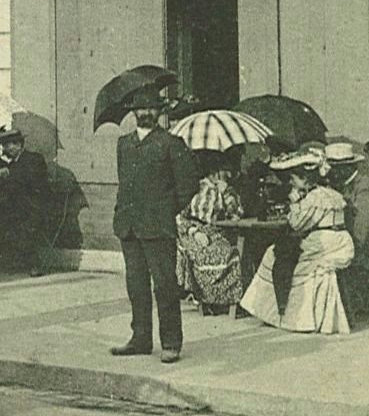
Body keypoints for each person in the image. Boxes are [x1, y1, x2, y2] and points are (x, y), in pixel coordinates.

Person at [111, 87, 198, 364]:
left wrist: (165, 210)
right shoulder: (124, 144)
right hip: (129, 226)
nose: (145, 113)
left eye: (151, 109)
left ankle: (171, 343)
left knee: (165, 285)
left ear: (159, 113)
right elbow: (124, 183)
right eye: (140, 109)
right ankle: (140, 339)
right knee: (136, 285)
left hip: (158, 227)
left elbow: (188, 186)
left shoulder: (171, 143)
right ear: (133, 112)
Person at [240, 163, 354, 334]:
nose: (292, 183)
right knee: (284, 253)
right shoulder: (332, 193)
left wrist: (295, 203)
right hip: (342, 240)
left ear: (305, 180)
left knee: (272, 254)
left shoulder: (314, 198)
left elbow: (297, 224)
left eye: (294, 179)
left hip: (325, 242)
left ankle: (281, 315)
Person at [174, 152, 245, 316]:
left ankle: (222, 302)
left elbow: (237, 213)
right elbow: (178, 215)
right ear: (216, 171)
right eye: (226, 171)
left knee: (229, 254)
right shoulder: (195, 188)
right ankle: (205, 299)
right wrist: (195, 232)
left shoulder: (227, 190)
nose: (230, 174)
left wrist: (227, 193)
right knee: (204, 253)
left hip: (216, 233)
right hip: (192, 231)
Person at [327, 142, 369, 318]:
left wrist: (344, 246)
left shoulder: (366, 186)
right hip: (356, 245)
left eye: (334, 168)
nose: (330, 172)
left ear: (345, 168)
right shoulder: (341, 185)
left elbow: (362, 227)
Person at [0, 127, 51, 277]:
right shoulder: (10, 165)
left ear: (20, 145)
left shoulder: (34, 159)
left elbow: (32, 182)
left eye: (10, 144)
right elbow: (6, 188)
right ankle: (14, 258)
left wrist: (10, 175)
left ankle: (34, 263)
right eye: (5, 145)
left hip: (35, 208)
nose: (7, 148)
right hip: (17, 208)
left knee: (21, 225)